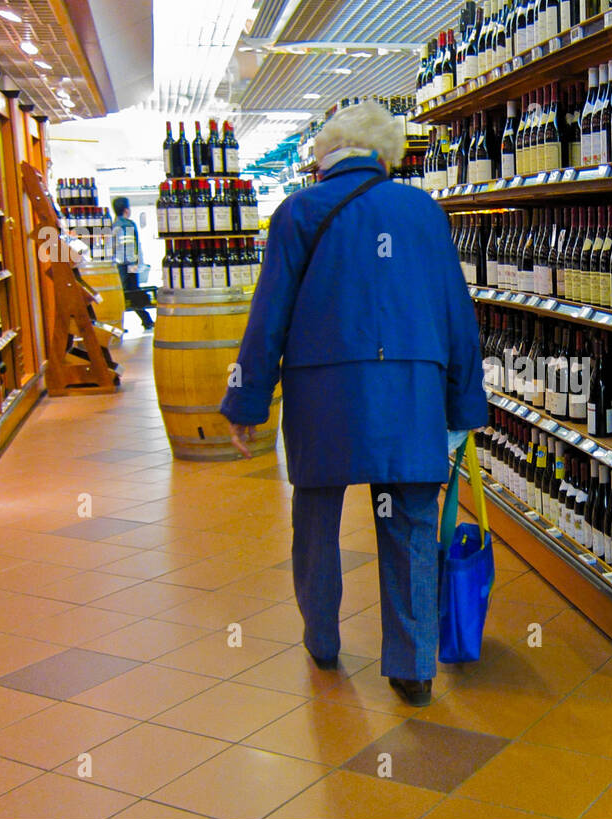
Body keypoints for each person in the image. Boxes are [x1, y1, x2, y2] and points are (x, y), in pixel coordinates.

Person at [219, 101, 486, 707]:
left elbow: (270, 318)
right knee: (411, 523)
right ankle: (414, 667)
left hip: (324, 397)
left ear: (324, 155)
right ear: (386, 154)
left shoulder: (298, 212)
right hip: (411, 393)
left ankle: (322, 638)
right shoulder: (424, 212)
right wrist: (465, 405)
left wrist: (247, 398)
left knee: (316, 522)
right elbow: (456, 314)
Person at [109, 197, 154, 330]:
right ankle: (144, 321)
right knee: (133, 293)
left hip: (119, 264)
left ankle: (145, 321)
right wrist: (136, 264)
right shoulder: (128, 224)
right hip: (129, 265)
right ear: (126, 210)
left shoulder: (113, 225)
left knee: (126, 294)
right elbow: (130, 246)